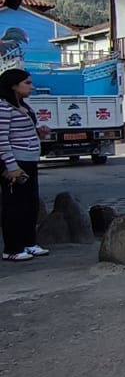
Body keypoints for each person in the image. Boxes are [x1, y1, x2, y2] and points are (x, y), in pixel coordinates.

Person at [1, 69, 51, 261]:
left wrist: (39, 132)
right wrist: (11, 166)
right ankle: (12, 248)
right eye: (27, 83)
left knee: (30, 204)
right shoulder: (4, 107)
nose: (31, 87)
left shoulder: (24, 106)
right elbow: (2, 139)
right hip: (15, 162)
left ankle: (29, 242)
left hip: (30, 159)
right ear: (14, 85)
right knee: (15, 205)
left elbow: (22, 131)